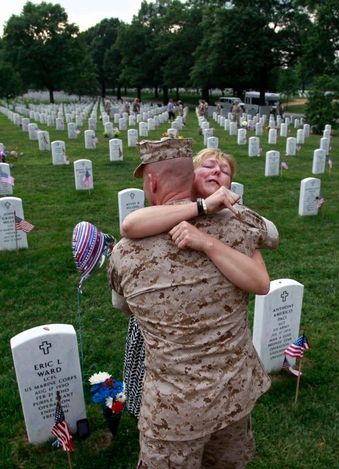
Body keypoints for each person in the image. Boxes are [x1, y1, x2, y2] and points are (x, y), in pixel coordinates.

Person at [109, 139, 275, 468]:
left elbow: (123, 307)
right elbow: (268, 240)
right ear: (192, 178)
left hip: (173, 414)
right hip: (234, 396)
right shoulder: (238, 232)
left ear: (151, 182)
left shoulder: (125, 254)